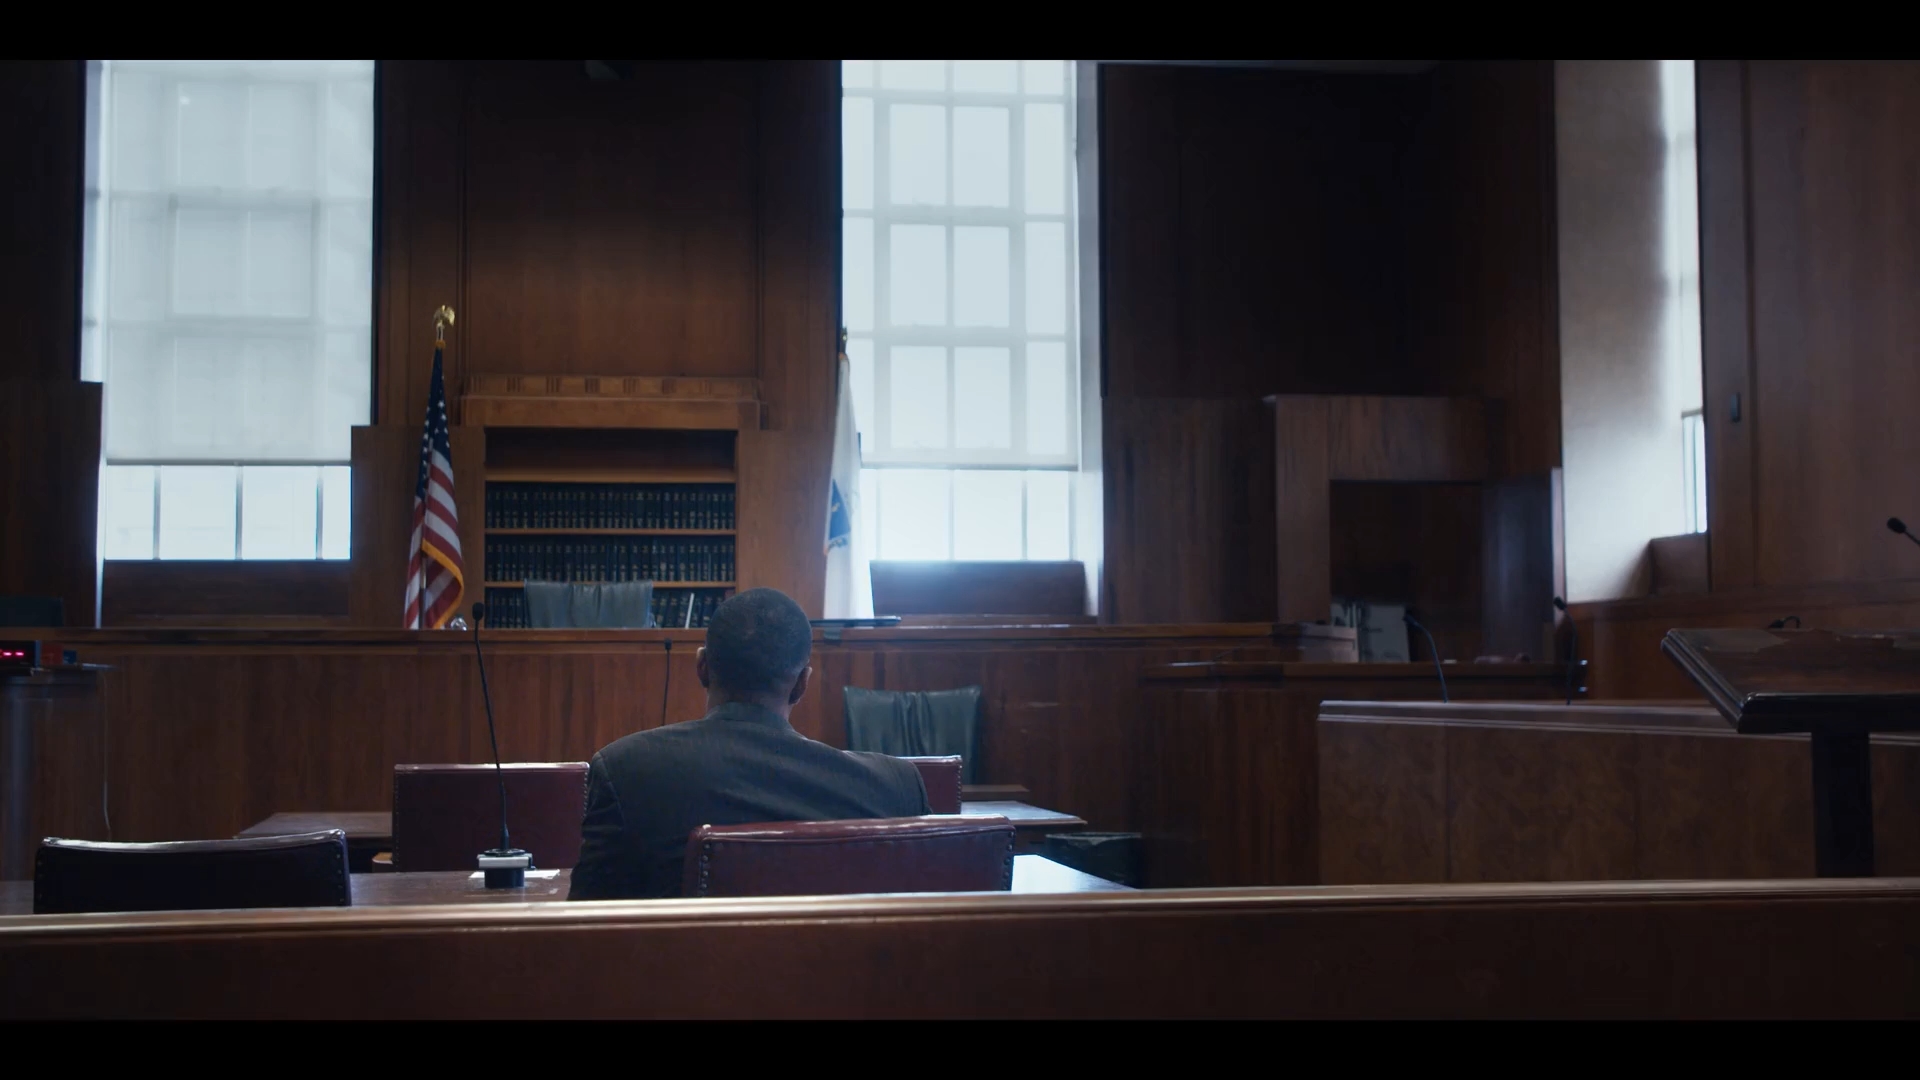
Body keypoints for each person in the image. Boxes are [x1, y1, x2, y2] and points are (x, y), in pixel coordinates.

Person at [569, 587, 930, 900]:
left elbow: (587, 928)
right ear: (802, 684)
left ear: (702, 667)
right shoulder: (894, 787)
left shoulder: (625, 771)